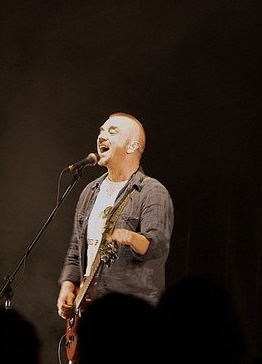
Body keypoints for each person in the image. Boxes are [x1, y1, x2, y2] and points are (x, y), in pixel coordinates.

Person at [56, 112, 174, 316]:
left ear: (132, 146)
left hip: (131, 312)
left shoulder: (152, 191)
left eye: (113, 132)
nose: (101, 136)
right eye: (101, 131)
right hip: (90, 310)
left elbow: (158, 247)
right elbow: (76, 249)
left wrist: (132, 238)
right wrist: (67, 286)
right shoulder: (90, 191)